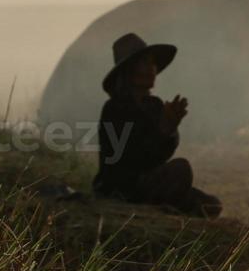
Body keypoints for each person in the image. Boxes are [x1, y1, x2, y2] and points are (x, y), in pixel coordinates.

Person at [94, 33, 222, 217]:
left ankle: (163, 206)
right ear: (129, 70)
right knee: (181, 169)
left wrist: (169, 129)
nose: (152, 69)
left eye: (153, 63)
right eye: (144, 63)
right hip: (122, 188)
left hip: (150, 182)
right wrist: (162, 131)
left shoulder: (154, 106)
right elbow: (125, 159)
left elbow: (160, 155)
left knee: (212, 205)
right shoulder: (115, 108)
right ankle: (157, 207)